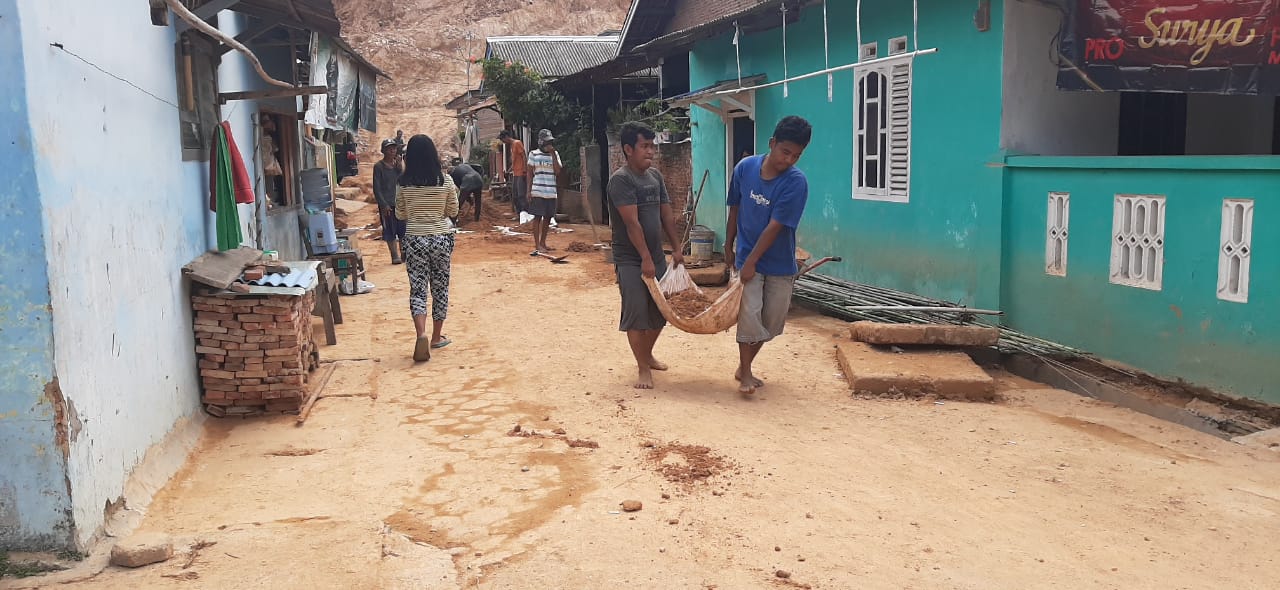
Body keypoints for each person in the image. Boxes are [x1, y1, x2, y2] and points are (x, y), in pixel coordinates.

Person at [724, 115, 812, 395]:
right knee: (749, 315)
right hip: (747, 255)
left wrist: (751, 262)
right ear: (772, 143)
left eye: (796, 155)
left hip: (779, 262)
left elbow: (775, 227)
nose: (789, 160)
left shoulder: (796, 183)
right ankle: (745, 371)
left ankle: (745, 365)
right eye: (785, 152)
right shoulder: (744, 168)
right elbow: (734, 209)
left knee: (770, 323)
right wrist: (729, 245)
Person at [607, 122, 684, 390]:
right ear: (628, 149)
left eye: (653, 146)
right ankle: (642, 368)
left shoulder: (656, 177)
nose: (651, 152)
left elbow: (666, 213)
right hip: (631, 259)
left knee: (661, 312)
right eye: (645, 146)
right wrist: (645, 259)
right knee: (637, 314)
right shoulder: (621, 180)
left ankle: (647, 354)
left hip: (656, 256)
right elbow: (632, 224)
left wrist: (676, 247)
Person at [396, 134, 460, 362]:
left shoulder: (403, 184)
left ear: (409, 157)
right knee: (440, 287)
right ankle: (436, 336)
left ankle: (420, 333)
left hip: (415, 239)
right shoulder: (446, 181)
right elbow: (453, 210)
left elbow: (400, 214)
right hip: (441, 237)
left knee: (418, 288)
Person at [526, 128, 562, 254]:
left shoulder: (555, 155)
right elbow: (529, 174)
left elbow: (558, 171)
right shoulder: (533, 154)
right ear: (541, 142)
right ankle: (537, 245)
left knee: (547, 218)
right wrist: (528, 191)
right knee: (537, 217)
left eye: (550, 142)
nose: (548, 145)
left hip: (551, 192)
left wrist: (552, 154)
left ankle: (543, 243)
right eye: (546, 142)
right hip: (537, 190)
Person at [374, 139, 405, 264]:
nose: (392, 151)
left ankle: (404, 253)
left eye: (394, 148)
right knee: (390, 231)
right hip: (387, 204)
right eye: (389, 148)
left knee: (403, 230)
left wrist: (400, 167)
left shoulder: (398, 165)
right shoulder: (379, 167)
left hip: (400, 204)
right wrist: (383, 204)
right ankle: (394, 255)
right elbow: (377, 188)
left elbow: (404, 180)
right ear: (383, 151)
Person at [499, 130, 528, 215]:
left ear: (507, 137)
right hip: (516, 173)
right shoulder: (512, 146)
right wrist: (508, 171)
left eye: (503, 139)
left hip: (521, 173)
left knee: (521, 195)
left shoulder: (517, 143)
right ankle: (519, 213)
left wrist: (524, 170)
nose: (503, 142)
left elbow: (524, 156)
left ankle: (525, 213)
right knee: (515, 195)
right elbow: (515, 162)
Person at [448, 157, 485, 223]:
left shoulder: (453, 174)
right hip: (478, 179)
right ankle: (477, 219)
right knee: (478, 201)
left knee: (460, 201)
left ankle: (453, 220)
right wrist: (481, 175)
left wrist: (469, 200)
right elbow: (479, 167)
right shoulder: (465, 165)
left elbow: (462, 190)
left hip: (468, 179)